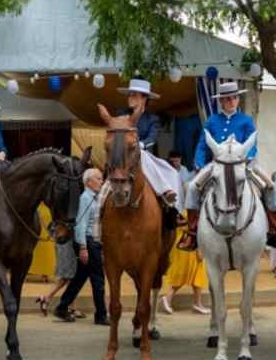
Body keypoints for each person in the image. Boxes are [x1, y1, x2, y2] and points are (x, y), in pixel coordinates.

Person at [199, 79, 276, 250]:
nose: (231, 101)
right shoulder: (211, 121)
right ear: (221, 101)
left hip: (244, 163)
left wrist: (247, 159)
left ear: (238, 99)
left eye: (233, 98)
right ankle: (193, 231)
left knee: (269, 186)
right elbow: (202, 146)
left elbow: (252, 145)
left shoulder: (246, 120)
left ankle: (274, 230)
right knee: (191, 189)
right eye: (226, 99)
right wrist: (199, 163)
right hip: (217, 165)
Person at [116, 78, 185, 243]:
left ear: (144, 98)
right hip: (121, 154)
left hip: (142, 152)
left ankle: (172, 210)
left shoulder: (152, 119)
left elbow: (152, 137)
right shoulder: (121, 114)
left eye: (134, 95)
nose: (130, 97)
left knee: (172, 173)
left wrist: (140, 144)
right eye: (130, 94)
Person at [51, 167, 107, 323]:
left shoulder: (96, 197)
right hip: (88, 242)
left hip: (92, 241)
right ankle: (101, 315)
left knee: (80, 278)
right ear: (88, 182)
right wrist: (83, 248)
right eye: (98, 179)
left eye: (102, 179)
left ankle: (62, 308)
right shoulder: (86, 198)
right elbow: (80, 224)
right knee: (98, 279)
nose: (101, 181)